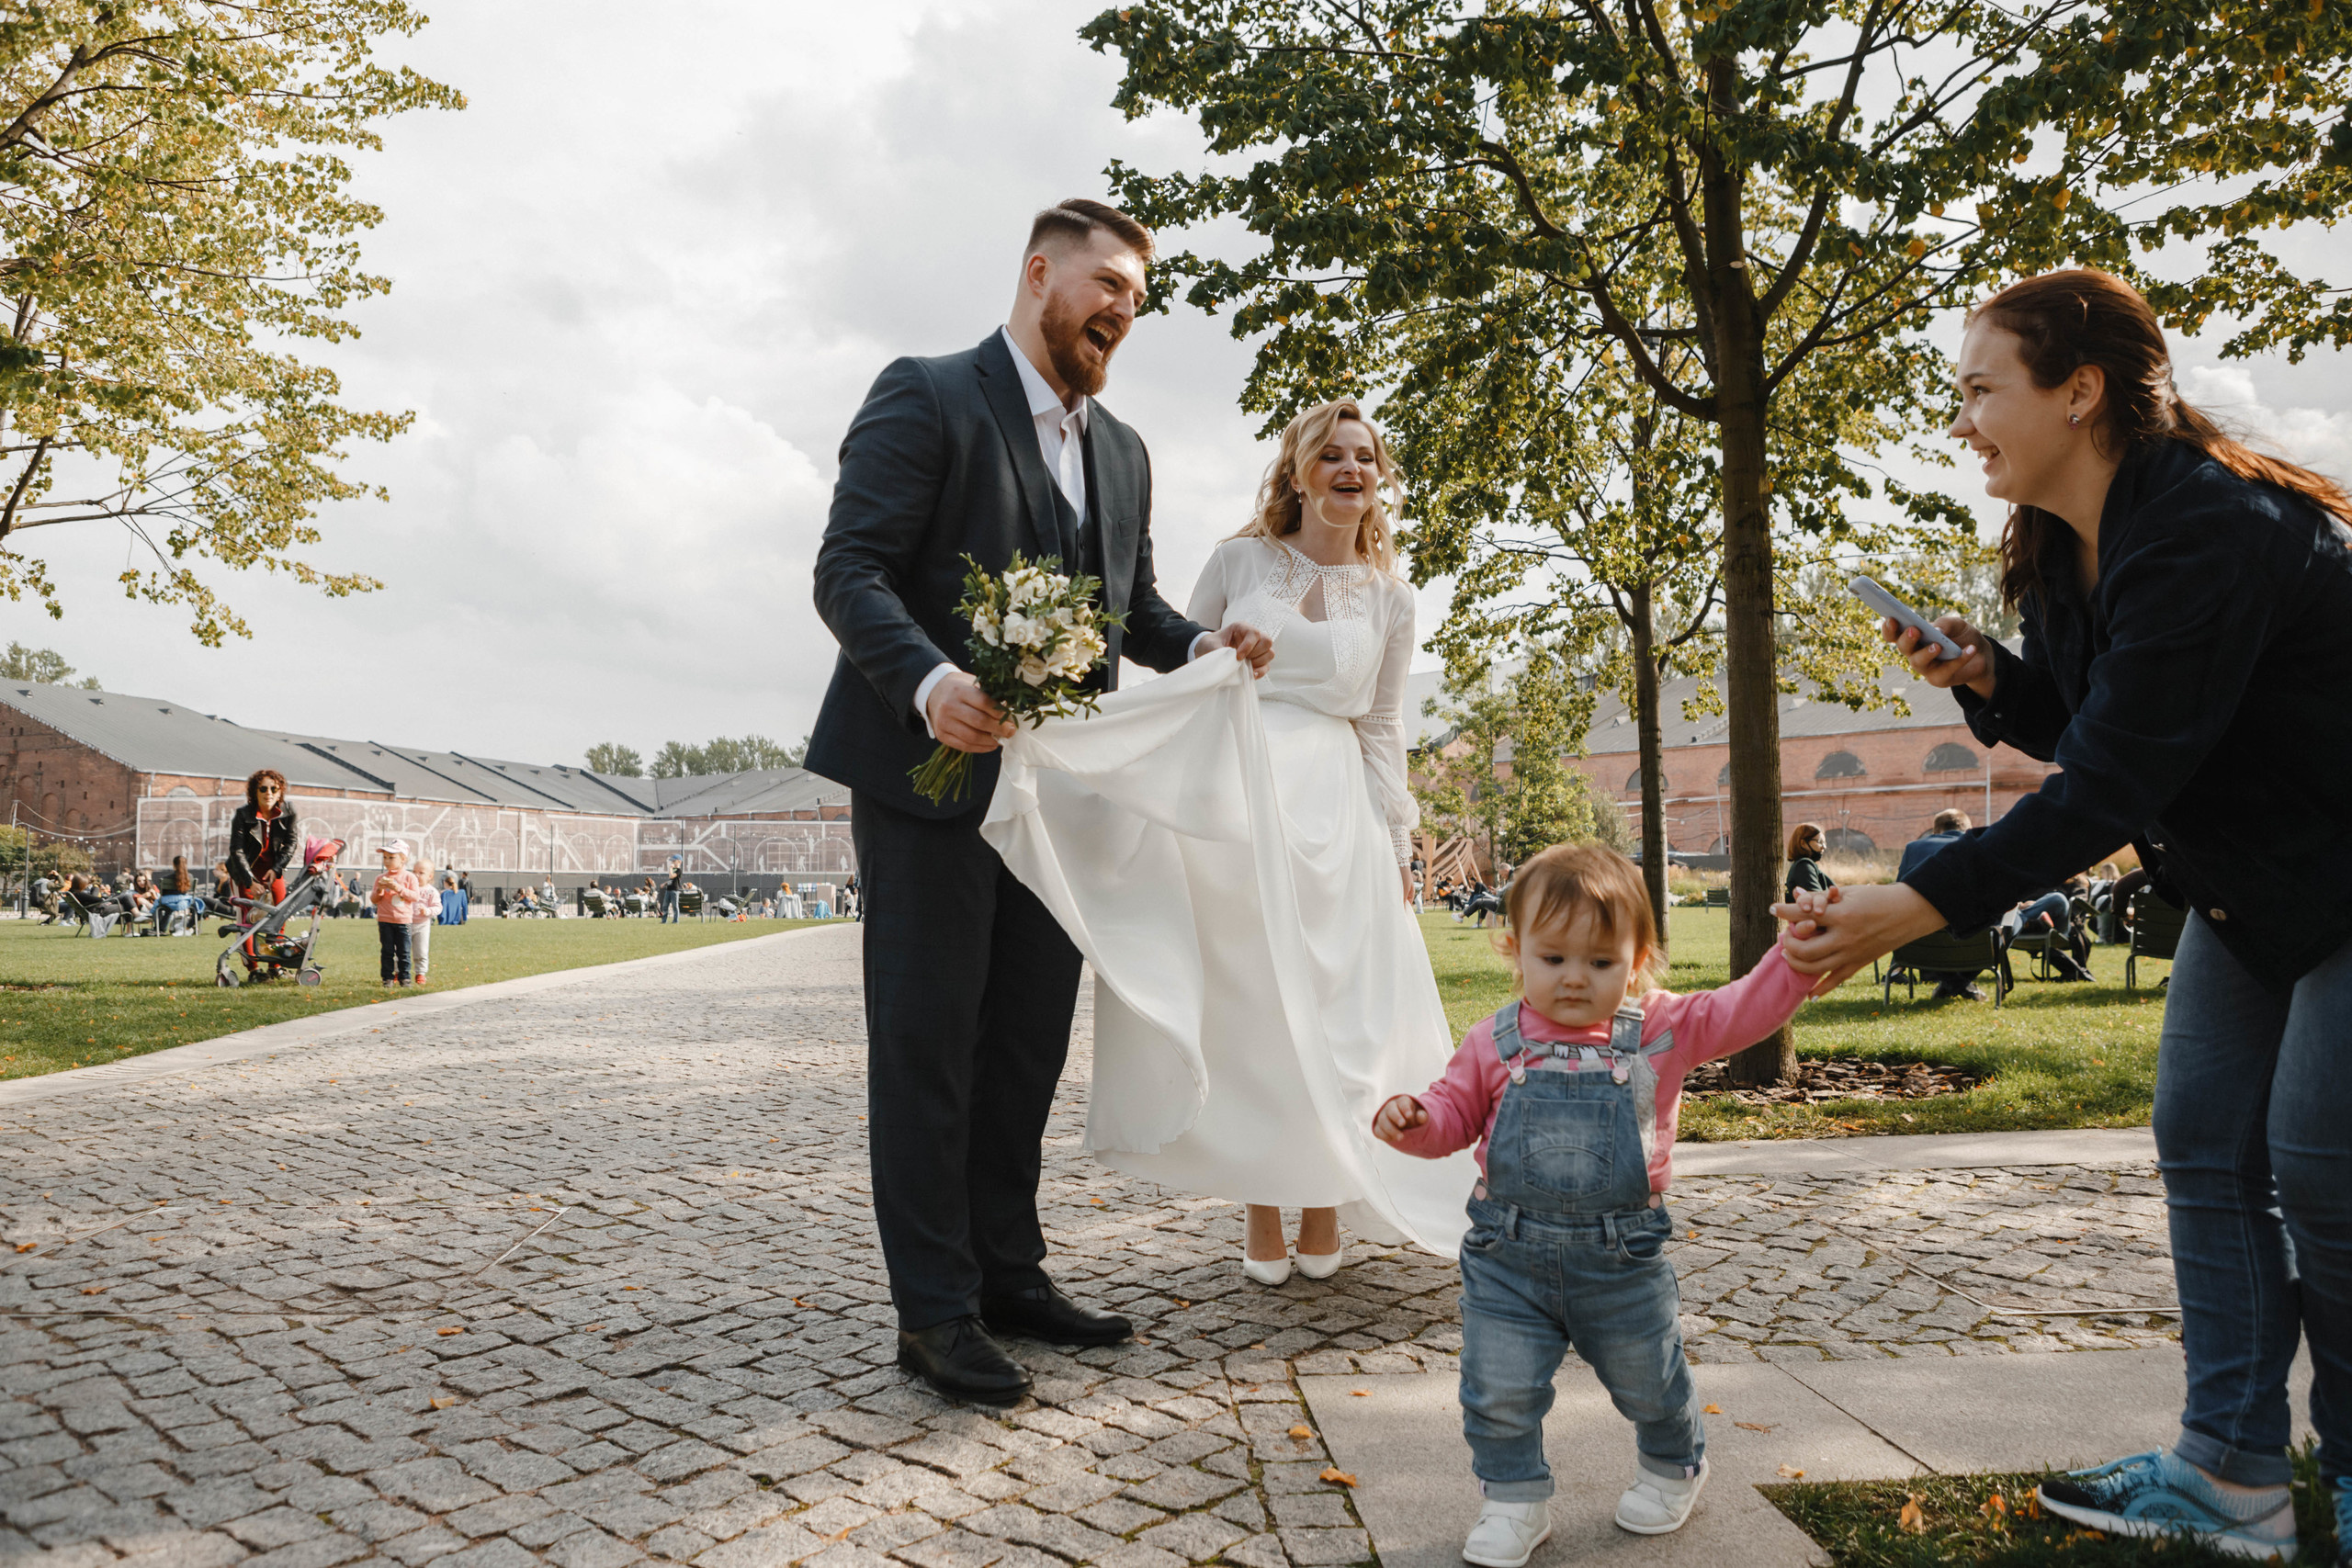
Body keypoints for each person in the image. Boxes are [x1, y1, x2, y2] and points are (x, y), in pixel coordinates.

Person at [1778, 268, 2352, 1564]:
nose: (1963, 420)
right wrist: (1995, 680)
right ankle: (2230, 1473)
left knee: (2327, 1172)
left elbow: (2115, 783)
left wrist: (1916, 902)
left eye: (1983, 389)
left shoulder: (2208, 525)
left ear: (2078, 391)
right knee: (2205, 1149)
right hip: (2246, 881)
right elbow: (2121, 732)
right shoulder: (2060, 550)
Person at [806, 197, 1273, 1406]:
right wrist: (928, 681)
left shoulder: (1122, 452)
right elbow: (846, 568)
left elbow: (1135, 612)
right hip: (928, 785)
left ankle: (1011, 1272)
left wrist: (1208, 645)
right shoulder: (926, 393)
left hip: (1062, 801)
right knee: (929, 1047)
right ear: (1038, 274)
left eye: (1138, 294)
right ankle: (937, 1311)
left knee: (1023, 1045)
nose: (1125, 306)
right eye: (1109, 280)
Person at [981, 397, 1476, 1290]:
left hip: (1340, 816)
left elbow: (1382, 724)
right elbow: (1180, 665)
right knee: (1258, 1008)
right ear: (1297, 471)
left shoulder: (1395, 600)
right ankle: (1260, 1198)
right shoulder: (1239, 560)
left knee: (1342, 1015)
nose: (1350, 471)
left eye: (1364, 458)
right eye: (1331, 456)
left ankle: (1324, 1199)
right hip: (1242, 804)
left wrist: (1400, 841)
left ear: (1380, 480)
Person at [1372, 845, 1815, 1565]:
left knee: (1651, 1377)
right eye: (1554, 959)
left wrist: (1795, 958)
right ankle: (1513, 1498)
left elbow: (1743, 1009)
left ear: (1638, 958)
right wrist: (1417, 1119)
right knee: (1497, 1387)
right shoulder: (1494, 1038)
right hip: (1506, 1257)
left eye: (1601, 962)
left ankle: (1675, 1465)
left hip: (1621, 1259)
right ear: (1515, 950)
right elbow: (1453, 1113)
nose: (1575, 977)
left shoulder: (1662, 1030)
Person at [226, 769, 299, 907]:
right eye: (263, 789)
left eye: (274, 789)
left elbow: (291, 843)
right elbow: (237, 850)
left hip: (272, 869)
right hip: (245, 870)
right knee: (248, 917)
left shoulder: (289, 811)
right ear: (255, 792)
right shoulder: (243, 814)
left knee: (279, 911)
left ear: (280, 793)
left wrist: (277, 869)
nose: (269, 793)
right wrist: (250, 882)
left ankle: (276, 930)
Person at [370, 840, 427, 987]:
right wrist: (380, 890)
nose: (387, 861)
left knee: (404, 951)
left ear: (403, 859)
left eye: (391, 857)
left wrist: (398, 888)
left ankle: (405, 977)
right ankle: (387, 978)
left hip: (403, 921)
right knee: (387, 951)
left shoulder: (409, 877)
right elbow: (374, 899)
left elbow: (415, 896)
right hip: (385, 920)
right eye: (385, 857)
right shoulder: (380, 878)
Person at [1783, 823, 1835, 902]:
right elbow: (1819, 899)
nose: (1824, 847)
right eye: (1819, 842)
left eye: (1824, 843)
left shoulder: (1805, 865)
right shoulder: (1803, 866)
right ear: (1803, 843)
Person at [411, 863, 442, 985]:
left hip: (422, 925)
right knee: (400, 951)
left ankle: (420, 973)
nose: (416, 875)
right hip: (405, 924)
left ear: (430, 876)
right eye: (414, 871)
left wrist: (428, 911)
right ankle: (399, 972)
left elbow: (438, 907)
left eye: (421, 873)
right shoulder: (408, 887)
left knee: (421, 951)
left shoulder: (432, 891)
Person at [659, 859, 682, 923]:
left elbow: (671, 876)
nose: (673, 862)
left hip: (674, 890)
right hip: (668, 890)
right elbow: (671, 880)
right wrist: (665, 884)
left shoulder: (679, 870)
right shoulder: (673, 870)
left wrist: (670, 868)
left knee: (675, 906)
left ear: (679, 862)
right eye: (672, 861)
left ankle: (675, 920)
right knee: (665, 906)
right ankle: (664, 920)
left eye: (674, 861)